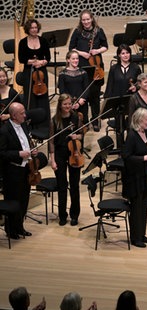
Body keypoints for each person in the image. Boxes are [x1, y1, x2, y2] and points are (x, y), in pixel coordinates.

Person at [0, 103, 45, 239]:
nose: (25, 115)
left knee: (24, 199)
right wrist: (18, 154)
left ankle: (20, 226)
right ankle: (10, 230)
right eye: (22, 113)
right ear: (14, 116)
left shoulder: (24, 125)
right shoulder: (4, 130)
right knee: (13, 200)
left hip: (26, 168)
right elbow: (2, 153)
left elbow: (26, 143)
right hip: (12, 170)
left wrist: (33, 150)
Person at [122, 108, 147, 248]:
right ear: (139, 120)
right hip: (134, 178)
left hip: (145, 176)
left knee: (144, 207)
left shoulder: (145, 133)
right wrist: (144, 158)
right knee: (136, 208)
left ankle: (141, 234)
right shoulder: (132, 136)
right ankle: (135, 238)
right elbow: (126, 157)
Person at [69, 9, 108, 132]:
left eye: (88, 19)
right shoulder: (77, 32)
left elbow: (105, 46)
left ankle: (96, 120)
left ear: (92, 19)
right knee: (83, 95)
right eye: (83, 19)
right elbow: (71, 48)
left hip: (96, 67)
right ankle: (84, 120)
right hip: (82, 66)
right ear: (81, 21)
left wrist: (97, 51)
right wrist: (81, 53)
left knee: (95, 96)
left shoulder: (99, 31)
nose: (86, 22)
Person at [49, 94, 83, 227]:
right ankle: (62, 215)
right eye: (65, 104)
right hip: (60, 153)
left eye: (69, 103)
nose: (68, 106)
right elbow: (51, 142)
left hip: (74, 152)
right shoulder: (54, 121)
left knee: (75, 185)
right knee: (62, 186)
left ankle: (75, 215)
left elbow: (81, 134)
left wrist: (77, 136)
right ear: (60, 105)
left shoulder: (76, 117)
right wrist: (52, 160)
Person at [18, 19, 51, 128]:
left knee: (43, 96)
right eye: (32, 28)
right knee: (30, 97)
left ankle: (44, 122)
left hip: (41, 73)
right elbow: (21, 59)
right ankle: (31, 123)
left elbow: (48, 58)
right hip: (28, 72)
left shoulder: (43, 40)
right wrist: (34, 62)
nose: (34, 29)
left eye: (36, 27)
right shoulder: (22, 42)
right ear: (28, 29)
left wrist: (41, 63)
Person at [58, 51, 90, 125]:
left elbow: (87, 89)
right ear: (68, 60)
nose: (76, 60)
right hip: (68, 105)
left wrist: (80, 101)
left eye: (77, 58)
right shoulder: (62, 74)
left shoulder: (83, 73)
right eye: (73, 59)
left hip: (82, 103)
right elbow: (62, 91)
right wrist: (69, 103)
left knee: (83, 126)